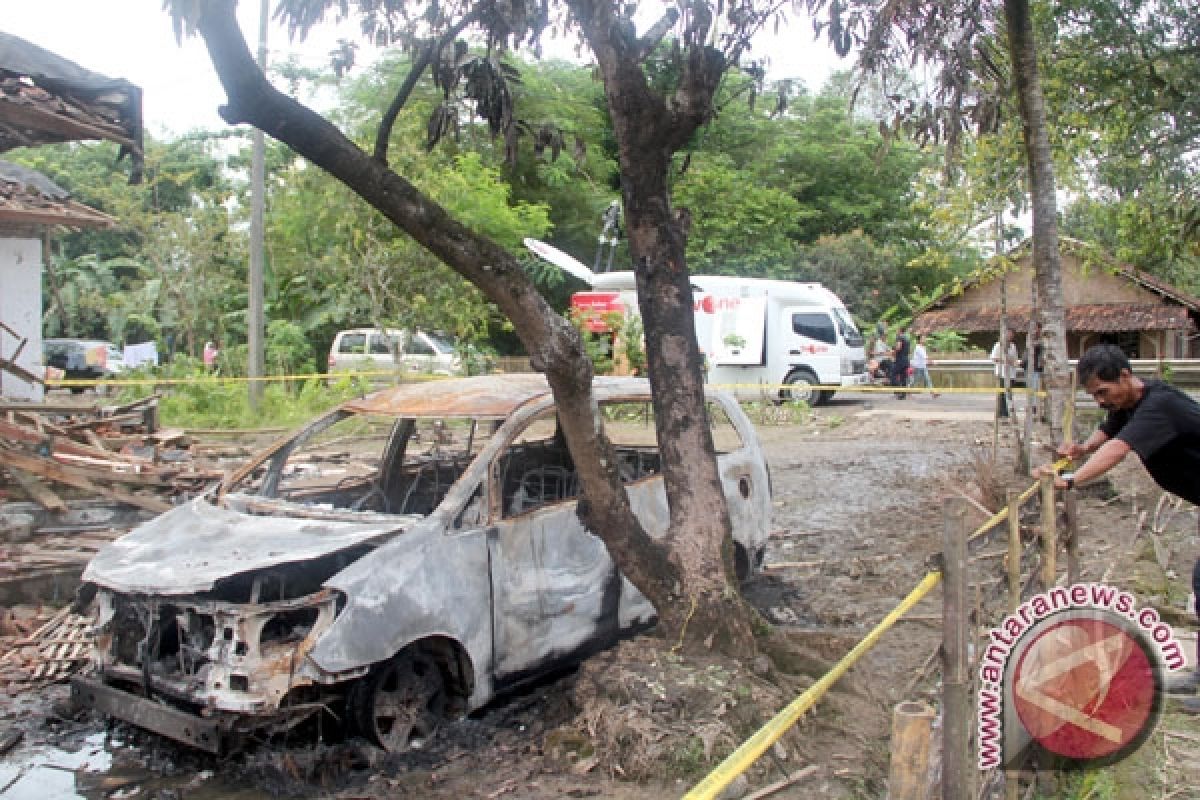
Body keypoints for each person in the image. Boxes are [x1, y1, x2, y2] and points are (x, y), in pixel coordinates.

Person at [1036, 344, 1200, 700]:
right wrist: (1082, 448)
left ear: (1125, 376)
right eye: (1093, 395)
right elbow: (1109, 430)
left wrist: (1071, 481)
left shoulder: (1160, 406)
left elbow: (1119, 448)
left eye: (1102, 392)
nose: (1099, 400)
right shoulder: (1131, 402)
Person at [990, 329, 1018, 418]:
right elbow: (994, 358)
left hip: (1011, 373)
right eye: (1008, 334)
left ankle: (1009, 411)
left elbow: (1015, 358)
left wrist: (1014, 362)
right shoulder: (998, 345)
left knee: (1009, 393)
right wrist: (1005, 360)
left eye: (1011, 334)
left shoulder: (1013, 346)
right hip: (1001, 372)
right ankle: (1002, 412)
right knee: (1002, 393)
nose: (1010, 336)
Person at [891, 326, 911, 399]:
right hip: (906, 360)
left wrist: (894, 351)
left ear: (900, 331)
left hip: (900, 360)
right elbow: (909, 351)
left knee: (892, 374)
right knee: (903, 378)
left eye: (897, 330)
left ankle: (898, 390)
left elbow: (898, 347)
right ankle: (903, 395)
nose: (896, 332)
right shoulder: (907, 339)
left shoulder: (899, 337)